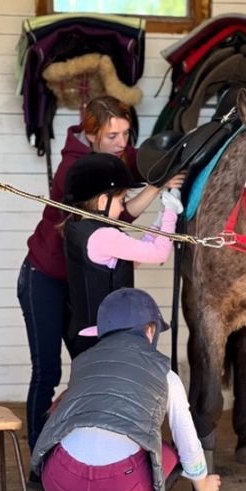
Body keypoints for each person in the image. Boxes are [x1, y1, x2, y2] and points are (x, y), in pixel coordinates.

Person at [18, 96, 184, 465]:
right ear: (91, 135)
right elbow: (119, 223)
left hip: (83, 283)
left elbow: (119, 210)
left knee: (92, 368)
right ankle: (38, 456)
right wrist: (157, 191)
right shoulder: (73, 172)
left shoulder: (111, 163)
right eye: (112, 136)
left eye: (126, 133)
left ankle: (83, 449)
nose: (122, 143)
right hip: (46, 277)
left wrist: (157, 177)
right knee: (47, 371)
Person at [31, 287, 221, 491]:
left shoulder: (83, 364)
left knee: (68, 430)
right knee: (169, 453)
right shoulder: (164, 375)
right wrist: (202, 485)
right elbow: (188, 442)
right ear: (149, 331)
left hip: (62, 485)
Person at [61, 152, 183, 357]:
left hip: (84, 331)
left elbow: (132, 259)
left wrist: (160, 218)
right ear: (102, 202)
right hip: (104, 337)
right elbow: (160, 254)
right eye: (121, 200)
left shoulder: (77, 226)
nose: (122, 207)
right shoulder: (105, 235)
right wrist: (171, 212)